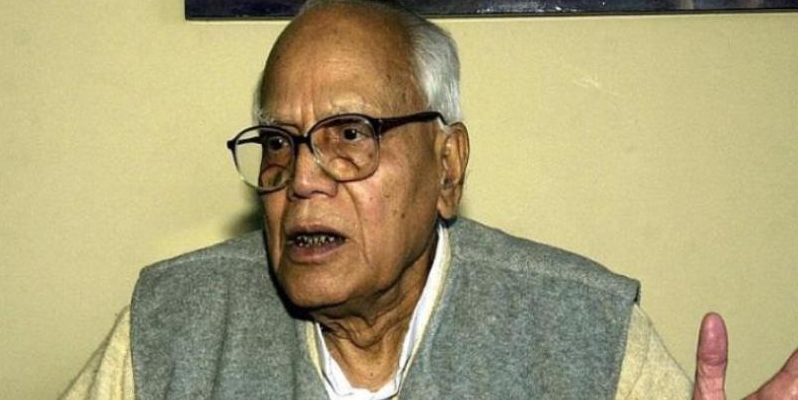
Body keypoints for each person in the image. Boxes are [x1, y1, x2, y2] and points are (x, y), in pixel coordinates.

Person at [61, 0, 797, 399]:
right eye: (280, 142)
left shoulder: (587, 332)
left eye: (350, 134)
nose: (303, 178)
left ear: (447, 168)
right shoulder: (172, 323)